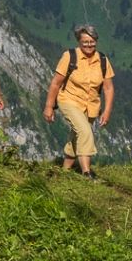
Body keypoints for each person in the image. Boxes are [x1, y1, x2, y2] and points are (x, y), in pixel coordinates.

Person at [44, 24, 114, 176]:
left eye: (92, 41)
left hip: (91, 106)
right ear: (79, 42)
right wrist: (49, 106)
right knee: (85, 131)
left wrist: (107, 111)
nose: (89, 45)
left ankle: (65, 171)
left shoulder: (102, 60)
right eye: (85, 42)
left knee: (76, 137)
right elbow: (56, 83)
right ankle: (86, 173)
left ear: (96, 40)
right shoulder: (69, 57)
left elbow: (108, 88)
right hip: (69, 100)